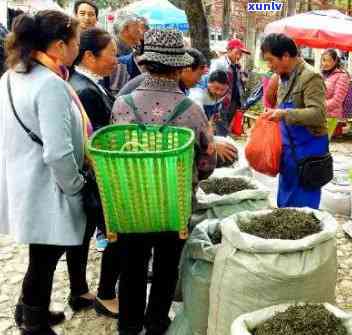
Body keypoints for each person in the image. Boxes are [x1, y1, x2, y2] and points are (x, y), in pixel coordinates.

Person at [111, 29, 216, 335]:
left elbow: (112, 152)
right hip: (174, 204)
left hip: (132, 204)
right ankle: (157, 322)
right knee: (167, 267)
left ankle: (128, 325)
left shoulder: (122, 104)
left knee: (131, 267)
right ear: (180, 67)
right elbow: (206, 162)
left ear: (145, 63)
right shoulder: (192, 111)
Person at [0, 11, 87, 335]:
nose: (78, 46)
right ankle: (33, 324)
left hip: (25, 178)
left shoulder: (13, 75)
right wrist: (76, 188)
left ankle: (27, 309)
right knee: (45, 257)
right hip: (48, 184)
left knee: (40, 253)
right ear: (59, 45)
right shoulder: (50, 84)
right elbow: (57, 152)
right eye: (76, 41)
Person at [68, 27, 121, 319]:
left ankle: (78, 291)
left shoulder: (84, 82)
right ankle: (105, 294)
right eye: (111, 53)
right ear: (89, 56)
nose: (116, 60)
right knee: (116, 234)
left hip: (88, 175)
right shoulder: (85, 89)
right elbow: (100, 139)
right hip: (96, 175)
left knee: (82, 234)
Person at [260, 33, 328, 209]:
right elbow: (281, 107)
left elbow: (318, 114)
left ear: (286, 56)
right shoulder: (283, 77)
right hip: (289, 151)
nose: (269, 65)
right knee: (286, 200)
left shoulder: (311, 77)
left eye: (270, 60)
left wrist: (284, 114)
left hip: (309, 150)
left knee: (303, 207)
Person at [209, 38, 250, 136]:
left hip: (233, 103)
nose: (239, 56)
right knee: (222, 129)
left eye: (241, 54)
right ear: (229, 50)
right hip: (222, 102)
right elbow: (211, 82)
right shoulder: (220, 64)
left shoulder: (237, 65)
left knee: (225, 127)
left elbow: (239, 83)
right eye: (237, 52)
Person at [320, 48, 350, 138]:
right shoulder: (323, 74)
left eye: (329, 60)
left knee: (321, 143)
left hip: (330, 116)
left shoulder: (342, 76)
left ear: (335, 61)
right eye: (324, 60)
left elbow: (337, 100)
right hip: (318, 113)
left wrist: (320, 106)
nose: (325, 63)